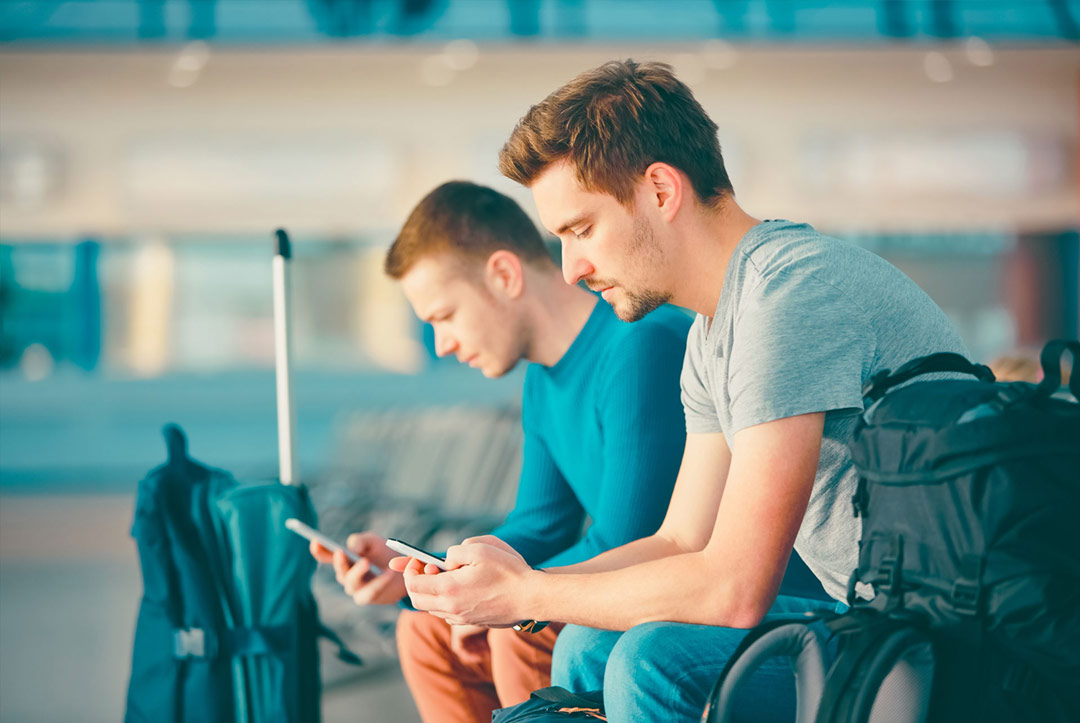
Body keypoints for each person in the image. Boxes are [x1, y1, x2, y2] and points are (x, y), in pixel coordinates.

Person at [391, 61, 969, 722]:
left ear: (660, 190)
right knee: (587, 644)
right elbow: (681, 538)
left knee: (649, 659)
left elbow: (734, 588)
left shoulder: (787, 298)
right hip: (861, 614)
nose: (573, 267)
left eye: (580, 230)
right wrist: (521, 582)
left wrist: (527, 593)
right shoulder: (712, 330)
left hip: (934, 638)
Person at [310, 180, 691, 723]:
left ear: (504, 275)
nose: (440, 344)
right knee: (424, 630)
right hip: (617, 579)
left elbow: (627, 542)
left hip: (673, 590)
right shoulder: (542, 380)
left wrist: (504, 601)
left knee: (520, 636)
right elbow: (538, 528)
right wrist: (425, 577)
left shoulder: (638, 344)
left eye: (443, 316)